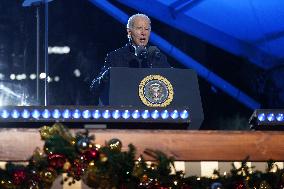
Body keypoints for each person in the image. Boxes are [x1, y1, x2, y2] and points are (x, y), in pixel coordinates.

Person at [90, 13, 170, 100]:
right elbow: (94, 88)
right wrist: (104, 78)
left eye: (147, 29)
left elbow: (172, 84)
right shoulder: (115, 57)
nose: (143, 33)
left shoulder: (158, 57)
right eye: (139, 28)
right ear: (129, 32)